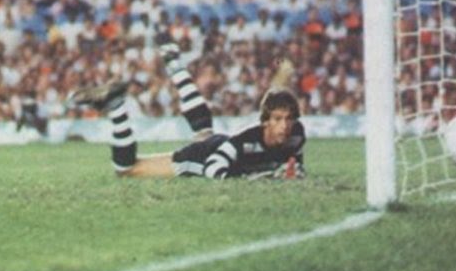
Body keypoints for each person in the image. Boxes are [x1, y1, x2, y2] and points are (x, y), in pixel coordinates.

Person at [69, 38, 306, 179]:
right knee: (126, 170)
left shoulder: (296, 135)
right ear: (265, 120)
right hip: (202, 157)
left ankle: (175, 64)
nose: (285, 126)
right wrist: (260, 177)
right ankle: (117, 106)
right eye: (277, 119)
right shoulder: (245, 140)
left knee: (204, 133)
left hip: (217, 142)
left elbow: (296, 165)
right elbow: (214, 168)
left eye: (289, 119)